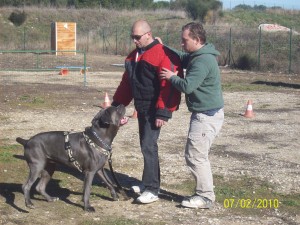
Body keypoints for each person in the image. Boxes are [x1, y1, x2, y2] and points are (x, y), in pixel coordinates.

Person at [111, 20, 183, 204]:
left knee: (149, 146)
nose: (134, 40)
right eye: (132, 37)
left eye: (137, 37)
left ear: (148, 34)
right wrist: (117, 105)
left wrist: (163, 112)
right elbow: (127, 83)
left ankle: (152, 189)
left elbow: (169, 87)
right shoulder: (133, 56)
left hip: (154, 109)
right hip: (141, 107)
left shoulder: (163, 55)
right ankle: (147, 183)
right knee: (145, 145)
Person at [159, 22, 224, 209]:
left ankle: (205, 197)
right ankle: (204, 194)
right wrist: (162, 47)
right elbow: (181, 57)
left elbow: (187, 86)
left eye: (184, 40)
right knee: (196, 154)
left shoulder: (203, 61)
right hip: (206, 113)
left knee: (196, 156)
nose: (181, 43)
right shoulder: (198, 55)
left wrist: (171, 76)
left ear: (197, 40)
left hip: (206, 115)